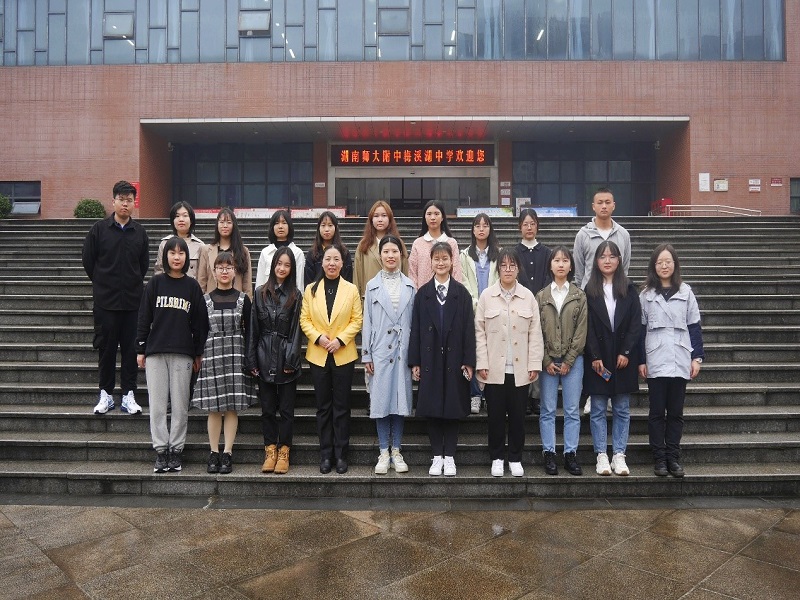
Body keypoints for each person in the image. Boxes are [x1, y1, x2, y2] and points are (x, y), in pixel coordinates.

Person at [137, 237, 209, 473]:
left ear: (187, 257)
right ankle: (161, 451)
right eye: (172, 253)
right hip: (156, 352)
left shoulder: (192, 286)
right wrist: (140, 349)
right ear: (165, 256)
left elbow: (200, 323)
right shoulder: (155, 284)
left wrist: (198, 352)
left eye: (181, 253)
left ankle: (176, 450)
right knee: (157, 406)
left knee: (179, 406)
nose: (176, 257)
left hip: (183, 353)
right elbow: (144, 317)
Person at [82, 180, 149, 416]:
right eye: (121, 199)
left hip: (132, 303)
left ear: (133, 203)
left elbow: (143, 266)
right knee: (106, 349)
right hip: (106, 303)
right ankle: (106, 394)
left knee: (131, 350)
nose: (125, 204)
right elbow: (88, 261)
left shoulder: (139, 232)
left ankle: (129, 394)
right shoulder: (99, 230)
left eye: (129, 200)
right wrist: (103, 284)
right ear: (113, 201)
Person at [409, 242, 475, 477]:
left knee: (453, 408)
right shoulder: (423, 294)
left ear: (452, 261)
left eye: (444, 258)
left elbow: (469, 330)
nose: (440, 262)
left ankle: (450, 456)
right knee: (433, 407)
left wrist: (469, 360)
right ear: (430, 262)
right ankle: (437, 455)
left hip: (455, 359)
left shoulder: (462, 294)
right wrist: (415, 362)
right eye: (436, 259)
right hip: (430, 359)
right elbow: (415, 330)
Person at [475, 248, 543, 478]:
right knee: (494, 417)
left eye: (512, 265)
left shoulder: (528, 297)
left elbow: (535, 333)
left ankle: (515, 458)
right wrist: (481, 362)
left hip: (520, 370)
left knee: (517, 418)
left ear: (518, 269)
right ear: (498, 269)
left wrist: (534, 364)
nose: (507, 269)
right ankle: (496, 458)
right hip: (494, 369)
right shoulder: (487, 296)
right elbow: (479, 333)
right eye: (503, 265)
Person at [639, 244, 704, 478]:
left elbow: (694, 326)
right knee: (657, 412)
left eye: (668, 261)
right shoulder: (646, 295)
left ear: (675, 264)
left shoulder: (686, 292)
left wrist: (697, 358)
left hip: (679, 356)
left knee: (675, 412)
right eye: (659, 262)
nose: (664, 266)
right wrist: (641, 360)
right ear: (653, 266)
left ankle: (673, 458)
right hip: (655, 357)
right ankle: (659, 458)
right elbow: (640, 329)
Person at [192, 251, 256, 475]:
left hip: (236, 353)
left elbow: (250, 331)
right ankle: (213, 452)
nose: (225, 271)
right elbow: (200, 330)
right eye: (220, 267)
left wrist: (250, 358)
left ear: (235, 271)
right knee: (214, 407)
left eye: (229, 267)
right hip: (212, 354)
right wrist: (198, 355)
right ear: (214, 271)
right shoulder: (205, 300)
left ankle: (227, 452)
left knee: (231, 407)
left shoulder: (243, 299)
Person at [300, 246, 363, 475]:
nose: (332, 263)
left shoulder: (351, 289)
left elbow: (357, 320)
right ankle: (326, 454)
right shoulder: (311, 289)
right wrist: (318, 338)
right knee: (323, 407)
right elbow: (304, 319)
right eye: (328, 259)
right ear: (322, 263)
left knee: (342, 406)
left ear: (342, 263)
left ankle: (341, 454)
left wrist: (340, 340)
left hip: (343, 354)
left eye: (336, 259)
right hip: (318, 355)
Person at [583, 241, 641, 477]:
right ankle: (601, 455)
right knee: (597, 408)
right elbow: (585, 325)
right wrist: (594, 355)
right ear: (596, 261)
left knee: (622, 408)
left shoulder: (629, 289)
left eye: (612, 256)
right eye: (603, 256)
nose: (607, 260)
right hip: (598, 358)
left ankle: (619, 454)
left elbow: (636, 324)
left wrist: (626, 352)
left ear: (619, 260)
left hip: (622, 357)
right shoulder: (589, 290)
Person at [574, 188, 631, 415]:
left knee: (613, 345)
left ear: (614, 205)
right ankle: (592, 394)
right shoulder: (583, 235)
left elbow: (625, 266)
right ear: (593, 206)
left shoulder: (623, 235)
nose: (604, 206)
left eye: (608, 202)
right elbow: (579, 271)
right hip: (591, 299)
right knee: (592, 347)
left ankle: (611, 393)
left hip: (615, 298)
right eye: (600, 202)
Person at [362, 235, 416, 474]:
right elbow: (367, 322)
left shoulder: (410, 286)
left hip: (403, 351)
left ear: (401, 255)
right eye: (386, 252)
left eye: (395, 251)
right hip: (380, 351)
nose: (391, 256)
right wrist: (366, 355)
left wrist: (415, 356)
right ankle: (383, 451)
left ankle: (397, 450)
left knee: (400, 402)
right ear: (380, 255)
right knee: (381, 401)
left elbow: (414, 323)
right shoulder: (371, 286)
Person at [247, 247, 303, 475]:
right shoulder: (260, 293)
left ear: (292, 269)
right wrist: (251, 360)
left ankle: (284, 451)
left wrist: (291, 360)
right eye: (279, 264)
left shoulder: (295, 295)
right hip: (263, 355)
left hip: (285, 357)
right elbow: (253, 329)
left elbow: (296, 331)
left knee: (287, 410)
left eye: (287, 265)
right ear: (273, 265)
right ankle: (270, 449)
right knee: (268, 409)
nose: (282, 268)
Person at [536, 246, 588, 476]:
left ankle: (570, 454)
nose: (560, 264)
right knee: (547, 409)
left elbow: (581, 331)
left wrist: (569, 359)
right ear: (550, 265)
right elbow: (536, 331)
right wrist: (546, 360)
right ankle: (549, 452)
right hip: (547, 361)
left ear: (570, 265)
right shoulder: (541, 296)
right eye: (556, 260)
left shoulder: (579, 296)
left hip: (573, 361)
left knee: (571, 410)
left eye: (565, 260)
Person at [460, 212, 501, 414]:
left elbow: (501, 280)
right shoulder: (464, 255)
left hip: (495, 310)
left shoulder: (499, 254)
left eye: (485, 225)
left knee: (493, 351)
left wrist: (490, 303)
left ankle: (490, 393)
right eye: (477, 225)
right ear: (473, 230)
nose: (481, 229)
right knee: (474, 351)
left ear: (490, 229)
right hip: (472, 311)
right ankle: (475, 394)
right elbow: (463, 281)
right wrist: (477, 303)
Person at [515, 207, 551, 417]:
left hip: (542, 308)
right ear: (520, 227)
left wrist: (538, 297)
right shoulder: (514, 252)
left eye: (532, 224)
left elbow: (549, 277)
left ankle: (535, 398)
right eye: (525, 224)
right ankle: (523, 396)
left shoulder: (546, 253)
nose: (529, 228)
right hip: (519, 307)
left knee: (537, 350)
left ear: (537, 226)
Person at [353, 200, 408, 298]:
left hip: (395, 297)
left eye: (384, 215)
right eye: (376, 216)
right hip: (371, 298)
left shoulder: (398, 243)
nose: (380, 219)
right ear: (371, 219)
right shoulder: (363, 245)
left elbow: (405, 272)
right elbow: (357, 277)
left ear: (390, 218)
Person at [197, 208, 253, 299]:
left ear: (234, 225)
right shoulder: (206, 250)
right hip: (211, 302)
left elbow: (247, 285)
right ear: (217, 225)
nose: (225, 225)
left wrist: (248, 303)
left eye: (229, 222)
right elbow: (201, 282)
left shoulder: (243, 251)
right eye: (222, 222)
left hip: (236, 302)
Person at [408, 200, 463, 288]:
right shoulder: (418, 244)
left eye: (436, 214)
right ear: (425, 217)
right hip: (423, 294)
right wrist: (417, 293)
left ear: (442, 217)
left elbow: (456, 272)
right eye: (429, 214)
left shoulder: (451, 243)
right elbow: (412, 273)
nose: (433, 217)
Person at [255, 210, 305, 291]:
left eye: (284, 223)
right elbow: (260, 281)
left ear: (289, 226)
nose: (280, 226)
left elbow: (299, 283)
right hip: (268, 297)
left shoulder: (297, 253)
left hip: (290, 297)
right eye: (277, 223)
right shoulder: (265, 253)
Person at [154, 201, 204, 279]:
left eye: (185, 215)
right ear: (172, 220)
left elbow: (203, 275)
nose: (181, 219)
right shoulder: (164, 243)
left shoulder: (200, 246)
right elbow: (159, 270)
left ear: (191, 220)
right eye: (177, 216)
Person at [305, 211, 353, 284]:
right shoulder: (312, 254)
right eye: (323, 225)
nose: (326, 229)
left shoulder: (344, 253)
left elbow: (348, 280)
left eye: (330, 225)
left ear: (336, 228)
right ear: (318, 228)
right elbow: (308, 282)